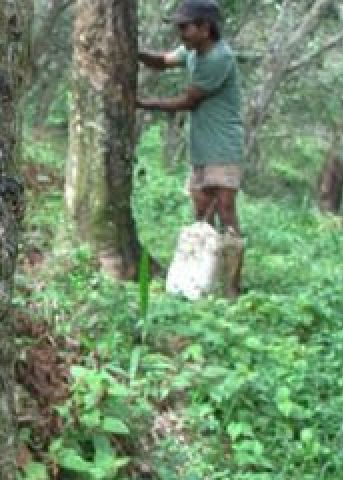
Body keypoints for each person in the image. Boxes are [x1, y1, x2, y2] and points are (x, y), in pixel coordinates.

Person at [138, 0, 246, 297]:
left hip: (223, 147)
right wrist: (134, 53)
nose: (180, 32)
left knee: (226, 212)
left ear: (205, 28)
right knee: (201, 212)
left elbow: (188, 101)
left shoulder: (218, 59)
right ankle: (201, 281)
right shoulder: (192, 51)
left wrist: (142, 102)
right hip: (201, 147)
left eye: (185, 26)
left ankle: (232, 286)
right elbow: (162, 61)